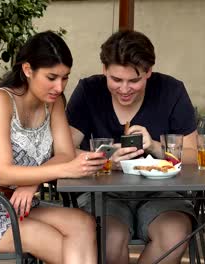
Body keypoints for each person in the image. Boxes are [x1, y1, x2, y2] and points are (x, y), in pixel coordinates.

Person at [0, 31, 105, 264]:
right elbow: (4, 173)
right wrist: (65, 170)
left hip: (20, 204)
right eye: (52, 77)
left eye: (65, 78)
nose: (59, 86)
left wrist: (32, 182)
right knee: (63, 247)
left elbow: (64, 153)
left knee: (83, 223)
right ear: (27, 70)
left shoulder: (53, 103)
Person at [66, 30, 198, 264]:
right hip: (103, 193)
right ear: (104, 70)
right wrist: (106, 160)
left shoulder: (171, 91)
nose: (124, 89)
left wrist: (156, 147)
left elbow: (193, 155)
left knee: (174, 236)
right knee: (108, 239)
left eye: (134, 81)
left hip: (163, 193)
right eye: (116, 80)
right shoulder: (89, 91)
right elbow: (65, 151)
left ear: (149, 72)